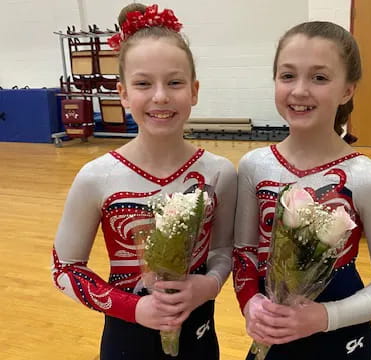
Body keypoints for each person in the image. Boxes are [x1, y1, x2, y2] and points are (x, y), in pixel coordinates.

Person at [51, 3, 236, 359]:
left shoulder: (220, 172)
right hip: (126, 339)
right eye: (143, 84)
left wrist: (208, 286)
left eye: (175, 82)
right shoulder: (97, 177)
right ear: (122, 93)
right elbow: (65, 268)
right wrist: (133, 308)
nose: (161, 96)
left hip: (198, 335)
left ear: (194, 91)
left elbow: (222, 252)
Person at [233, 21, 371, 359]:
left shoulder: (366, 177)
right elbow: (244, 254)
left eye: (319, 78)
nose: (299, 90)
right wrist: (250, 303)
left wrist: (326, 317)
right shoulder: (254, 166)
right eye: (287, 76)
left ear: (347, 90)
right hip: (273, 333)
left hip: (341, 339)